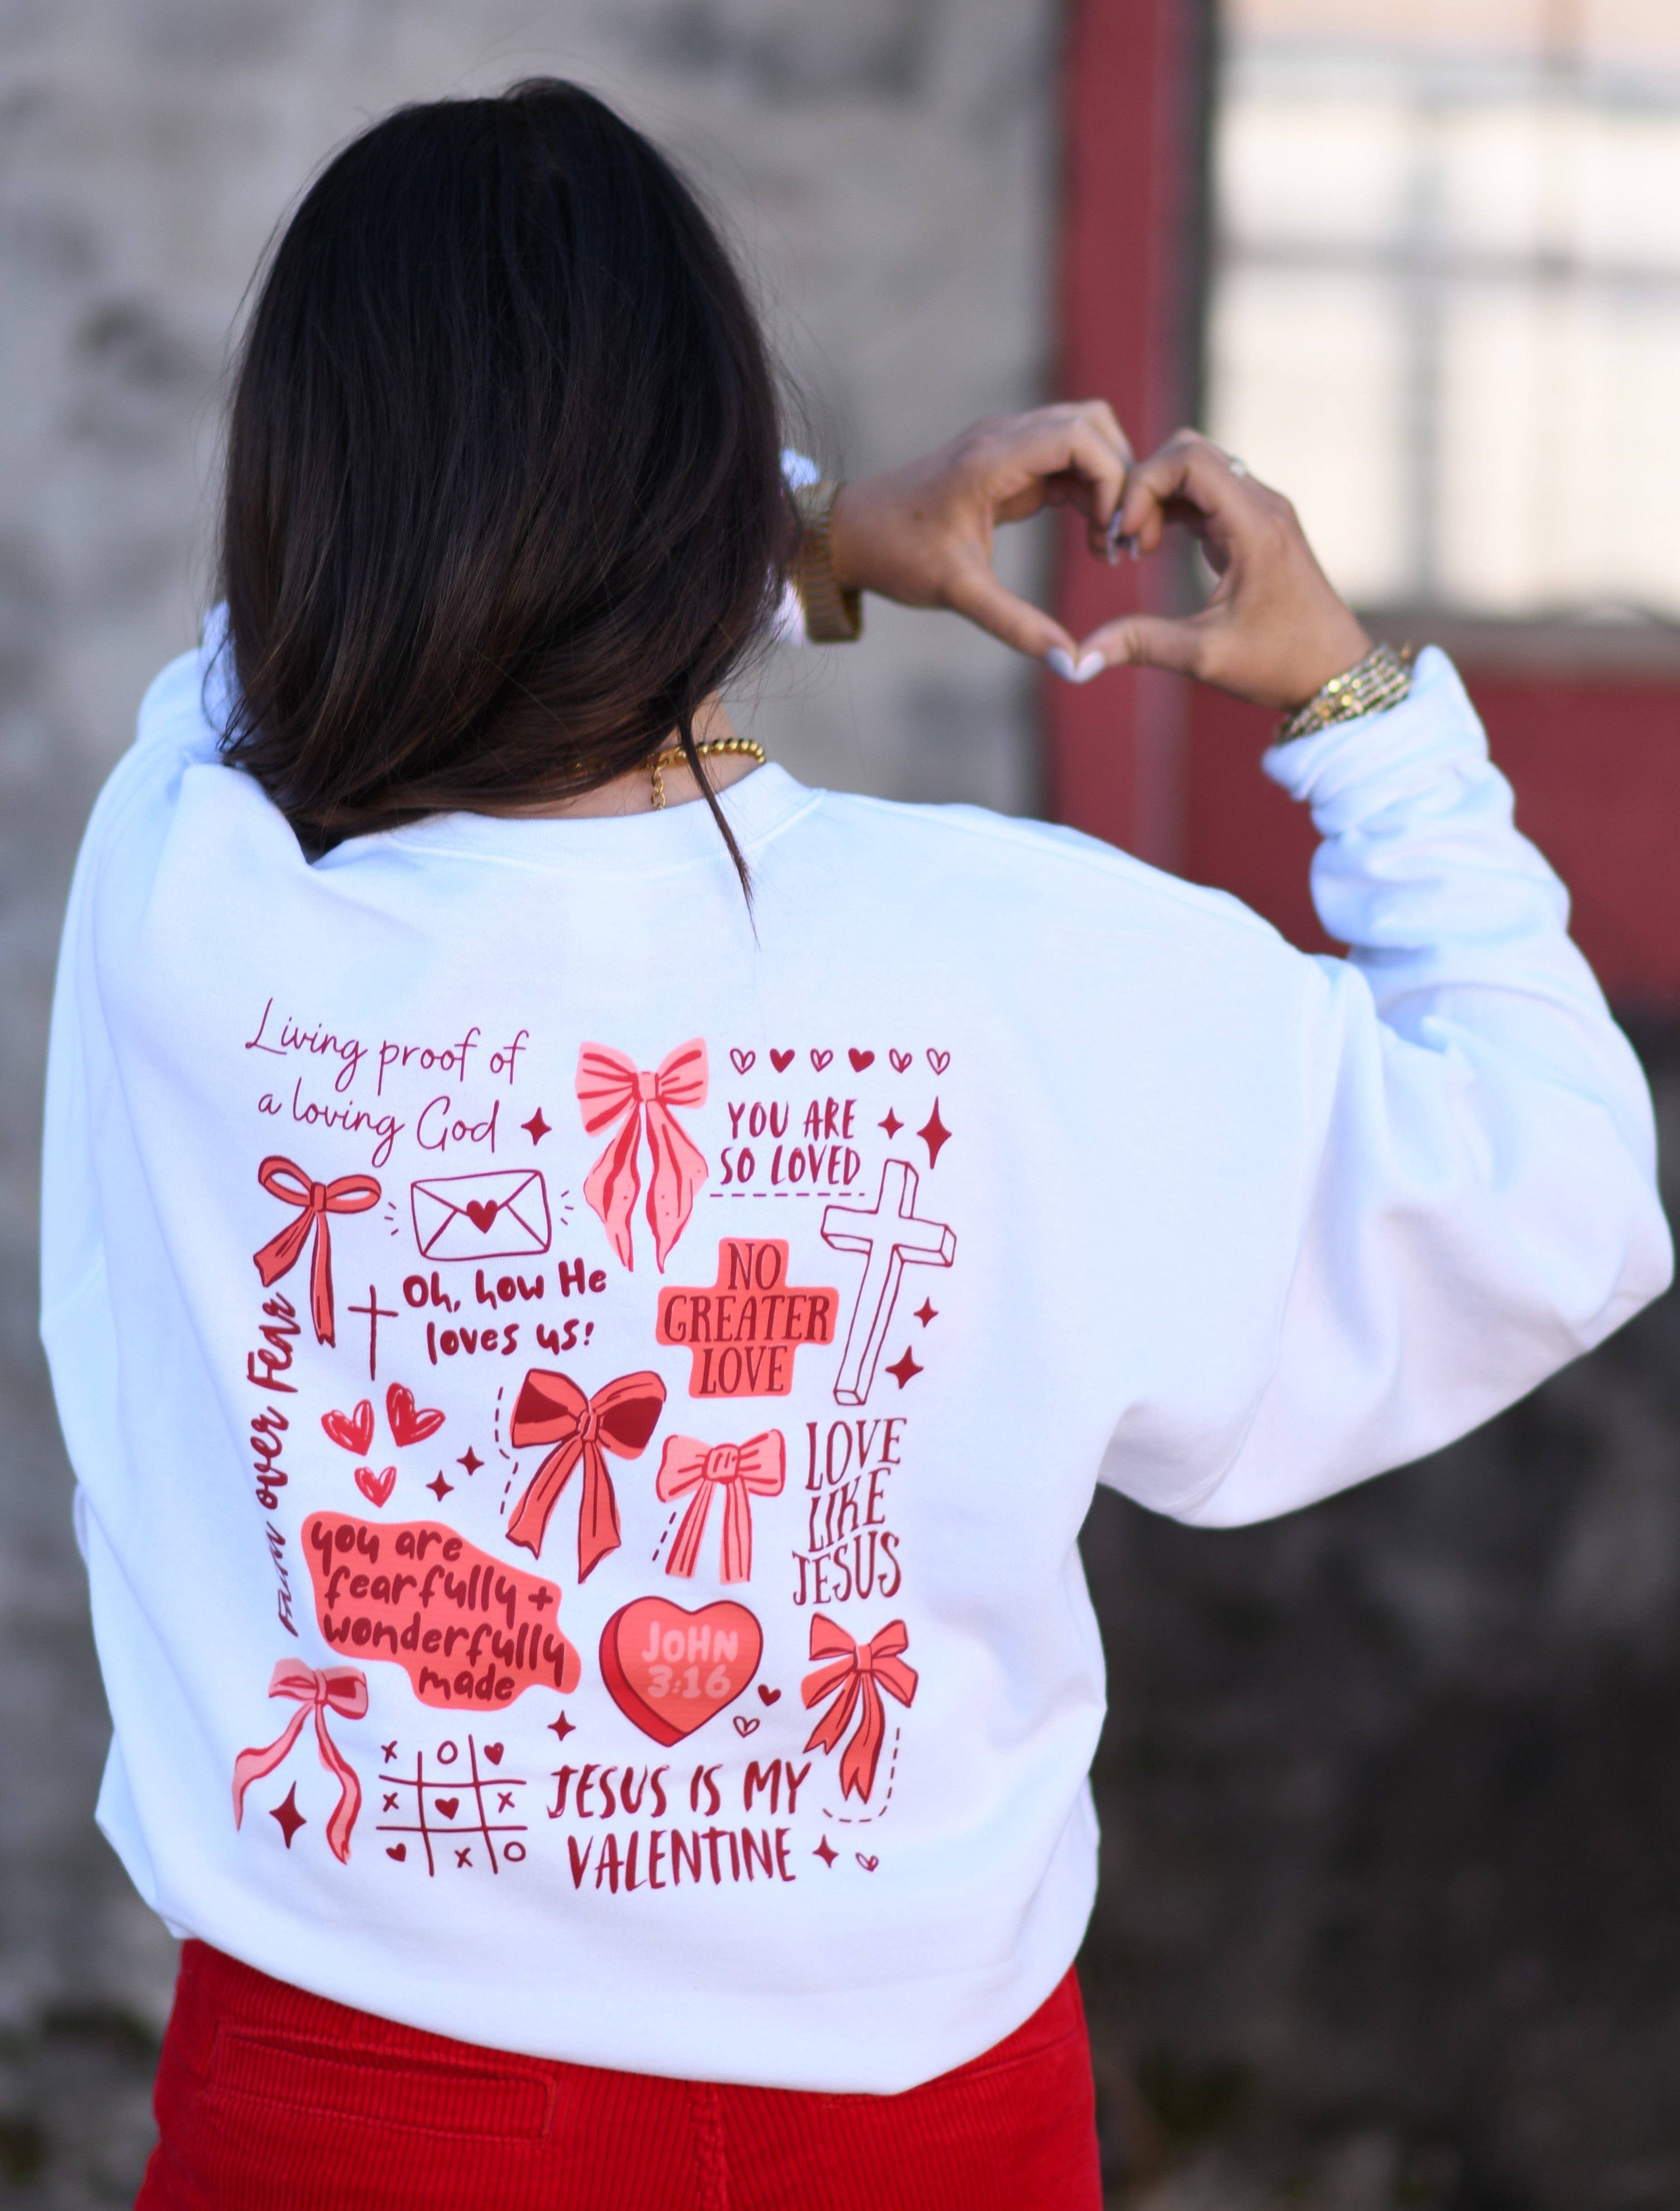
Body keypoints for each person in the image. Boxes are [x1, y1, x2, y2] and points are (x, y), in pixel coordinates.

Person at [39, 79, 1668, 2211]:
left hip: (349, 2126)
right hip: (918, 2136)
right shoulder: (1025, 959)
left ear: (302, 498)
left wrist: (785, 549)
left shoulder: (188, 901)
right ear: (703, 471)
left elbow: (249, 678)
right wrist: (1356, 713)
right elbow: (1559, 1173)